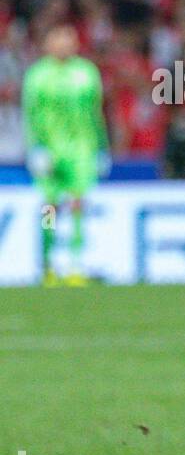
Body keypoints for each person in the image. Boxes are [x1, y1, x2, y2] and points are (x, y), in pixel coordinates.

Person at [21, 26, 109, 286]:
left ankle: (75, 264)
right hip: (50, 150)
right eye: (58, 40)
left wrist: (102, 146)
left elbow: (96, 112)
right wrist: (35, 148)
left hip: (82, 149)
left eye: (68, 40)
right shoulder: (38, 75)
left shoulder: (86, 72)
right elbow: (31, 115)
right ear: (48, 44)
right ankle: (48, 263)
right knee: (50, 207)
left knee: (78, 203)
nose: (64, 45)